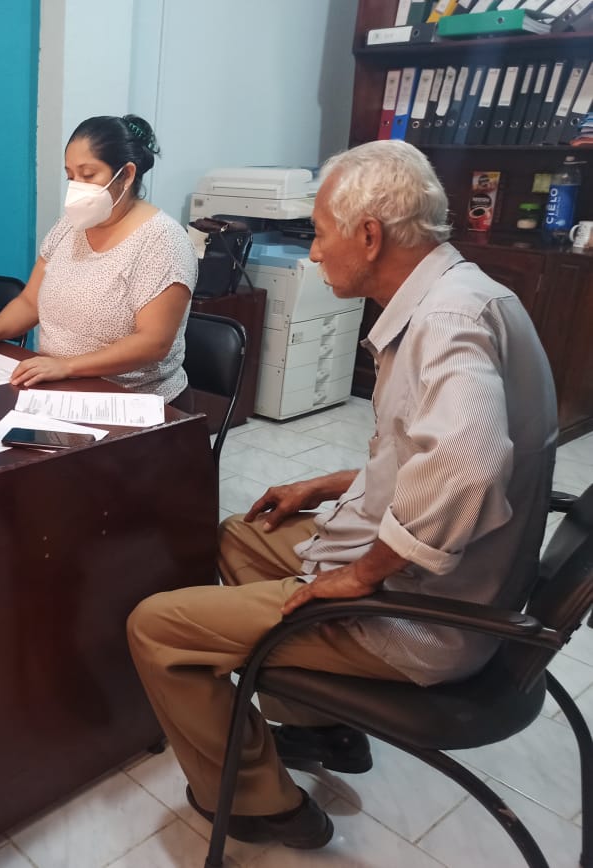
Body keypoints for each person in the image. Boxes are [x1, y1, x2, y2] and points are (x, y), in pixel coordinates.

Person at [126, 140, 557, 850]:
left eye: (322, 232)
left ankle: (263, 805)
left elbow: (468, 469)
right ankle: (324, 726)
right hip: (462, 579)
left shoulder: (448, 322)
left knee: (156, 628)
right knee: (242, 536)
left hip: (426, 614)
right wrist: (329, 484)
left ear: (369, 235)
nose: (316, 250)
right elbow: (430, 453)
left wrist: (360, 576)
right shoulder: (469, 294)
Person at [0, 114, 197, 403]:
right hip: (61, 389)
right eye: (71, 176)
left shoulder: (162, 241)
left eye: (88, 175)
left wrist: (67, 366)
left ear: (127, 175)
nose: (77, 186)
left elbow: (153, 343)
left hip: (133, 400)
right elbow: (30, 302)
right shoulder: (71, 225)